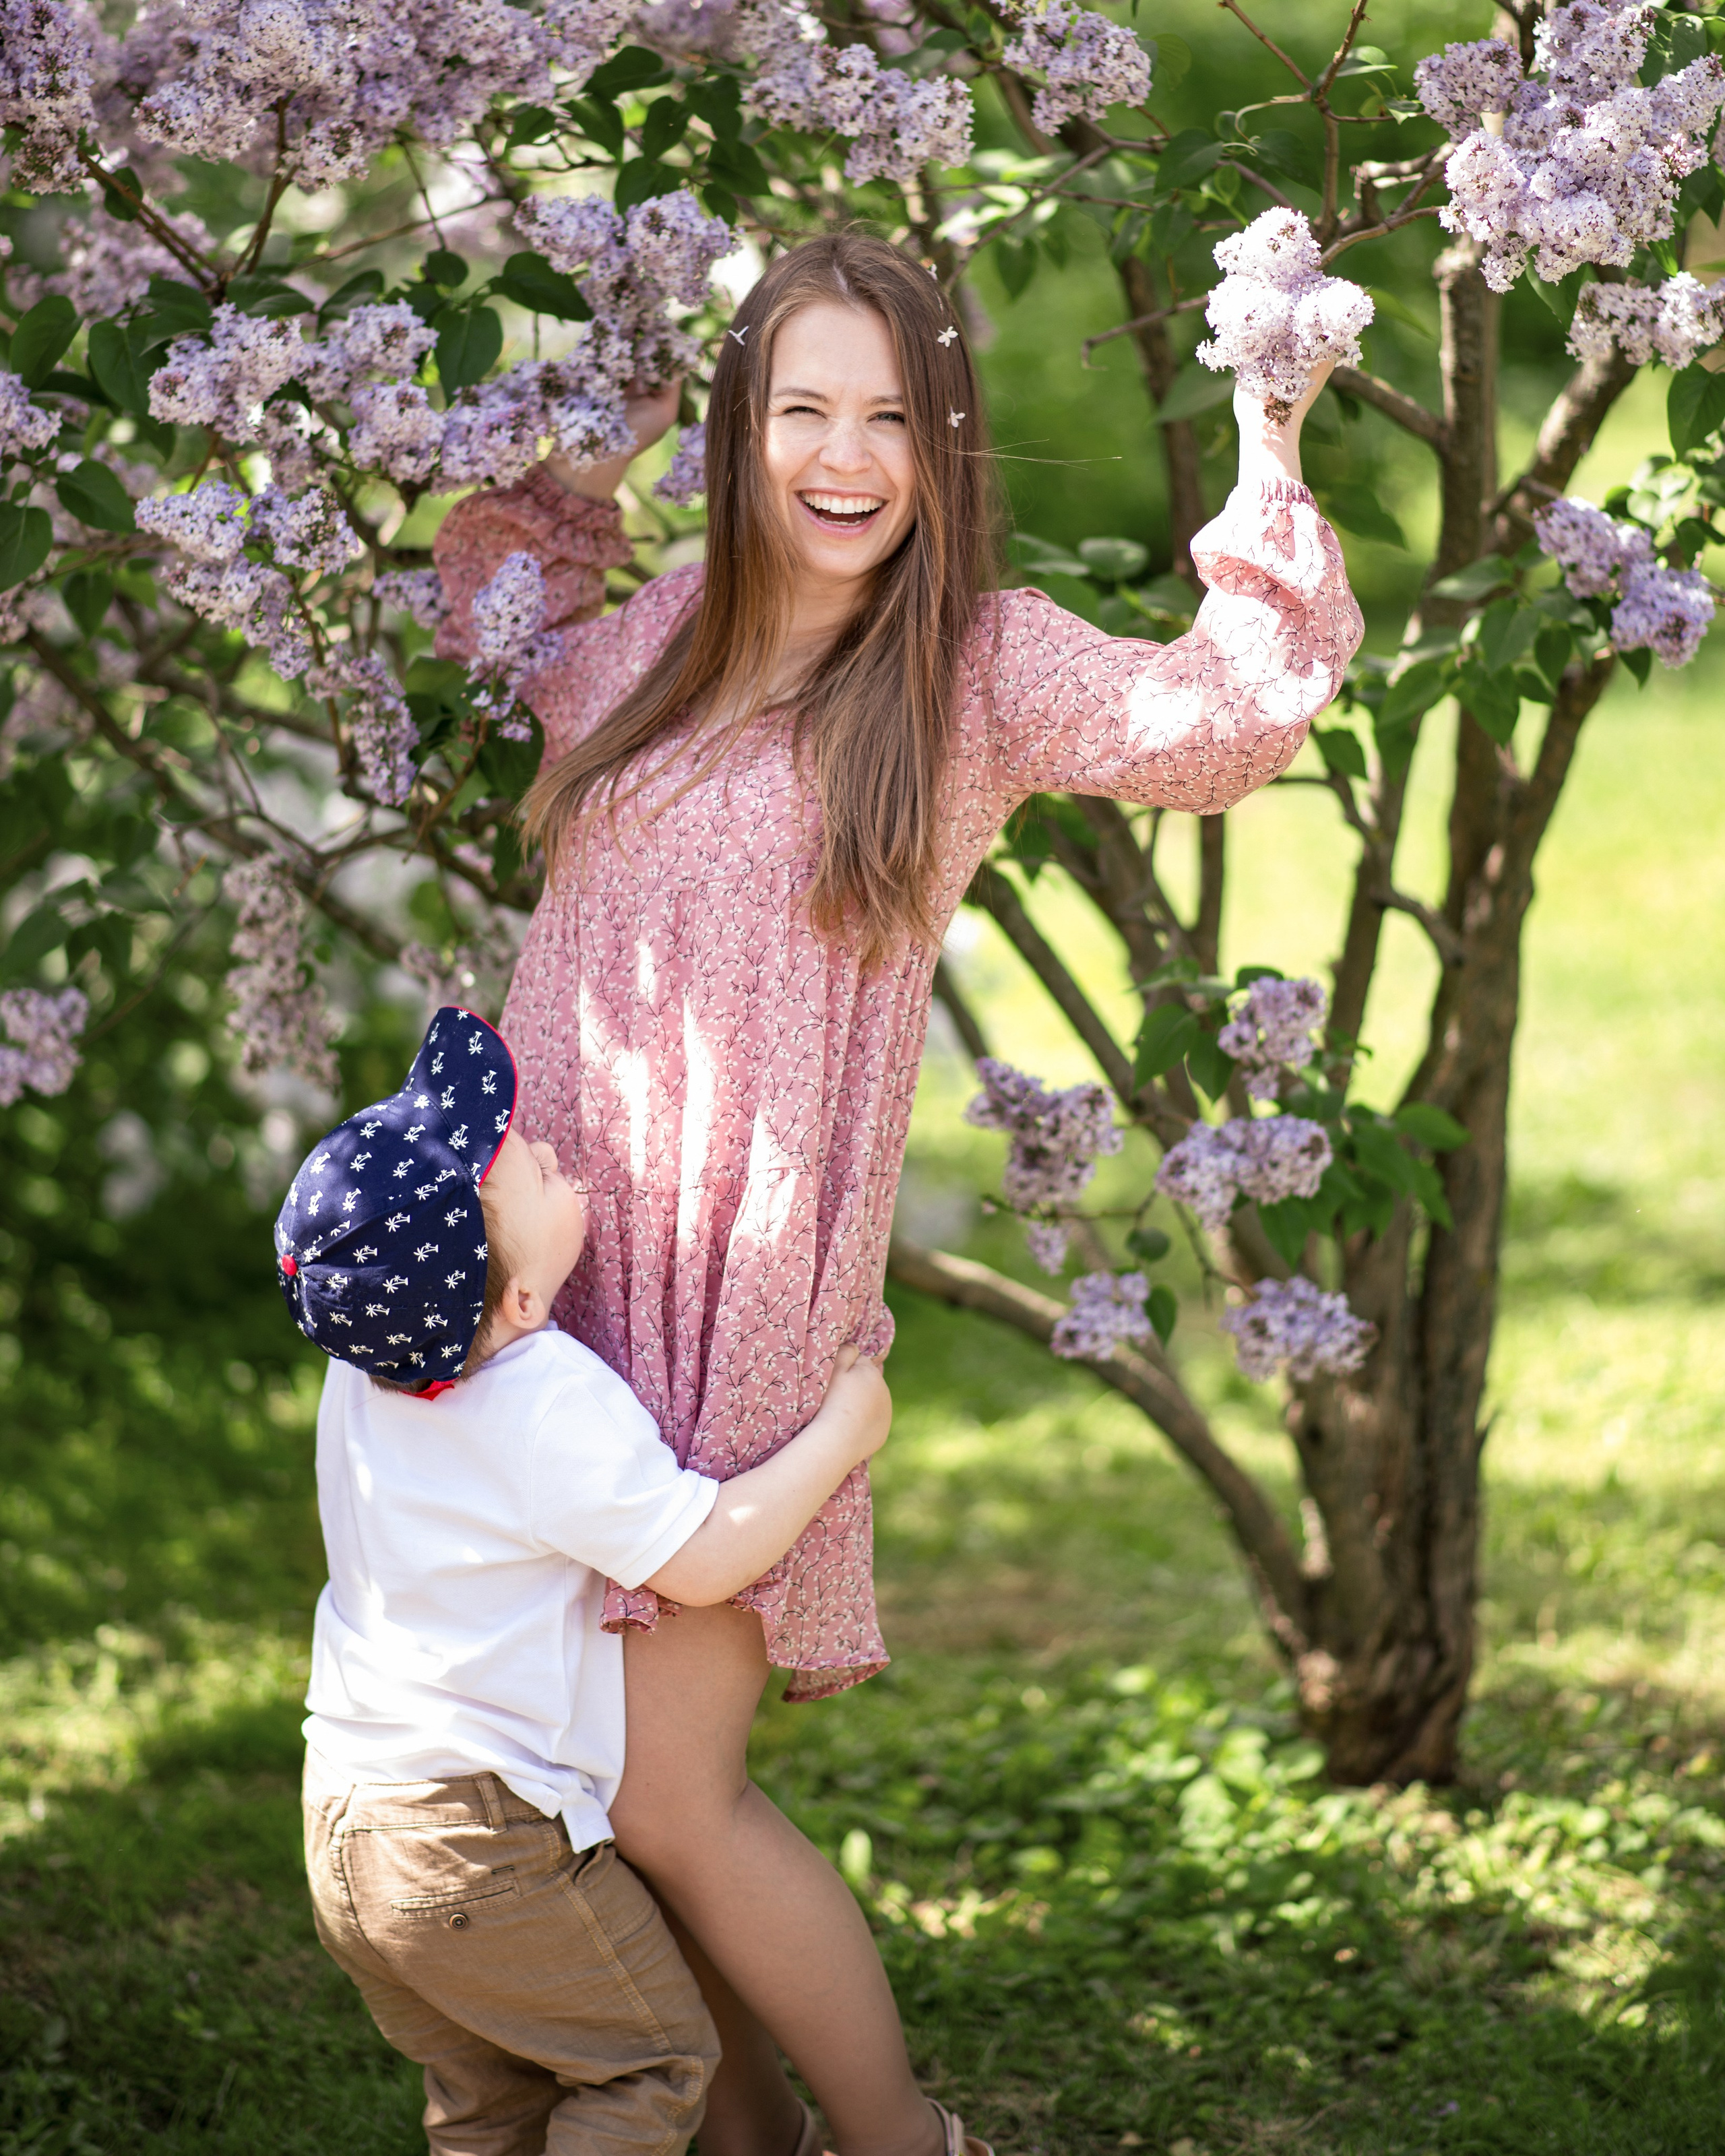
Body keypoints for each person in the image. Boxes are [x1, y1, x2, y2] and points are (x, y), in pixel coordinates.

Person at [433, 231, 1362, 2156]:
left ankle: (908, 2143)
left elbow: (1232, 719)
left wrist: (1271, 436)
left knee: (676, 1795)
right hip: (555, 1261)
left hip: (737, 1283)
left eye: (893, 414)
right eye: (803, 412)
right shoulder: (659, 634)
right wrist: (582, 451)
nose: (846, 456)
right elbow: (492, 619)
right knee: (590, 1788)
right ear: (741, 428)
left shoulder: (972, 667)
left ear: (943, 439)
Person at [274, 1004, 892, 2156]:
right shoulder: (543, 1399)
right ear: (515, 1303)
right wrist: (844, 1432)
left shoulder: (365, 1373)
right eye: (525, 1167)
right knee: (655, 2065)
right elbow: (705, 1556)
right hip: (481, 1839)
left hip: (348, 1826)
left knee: (493, 2108)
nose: (539, 1140)